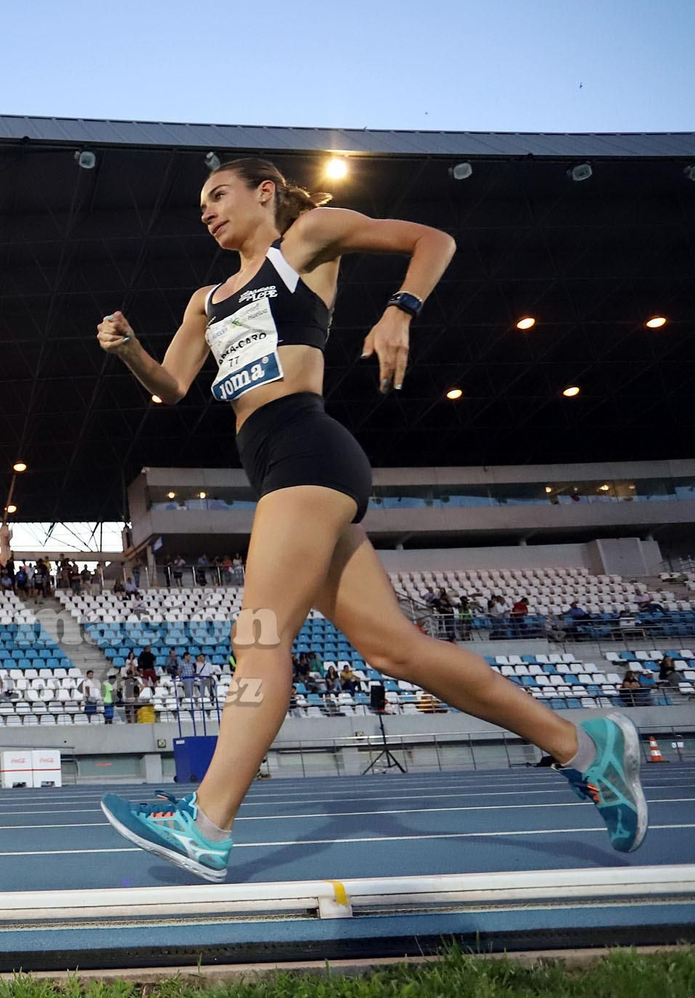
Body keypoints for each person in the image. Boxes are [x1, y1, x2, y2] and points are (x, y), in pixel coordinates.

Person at [96, 156, 646, 882]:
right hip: (278, 467)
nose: (206, 210)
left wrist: (399, 310)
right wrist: (131, 350)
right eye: (201, 203)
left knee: (258, 636)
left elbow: (433, 241)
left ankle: (208, 822)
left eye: (218, 194)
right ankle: (585, 747)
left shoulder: (307, 239)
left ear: (266, 192)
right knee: (396, 651)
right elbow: (171, 387)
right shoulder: (207, 300)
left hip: (307, 447)